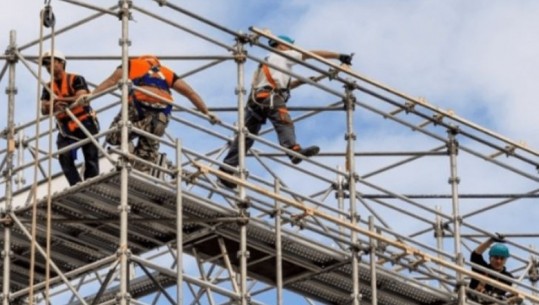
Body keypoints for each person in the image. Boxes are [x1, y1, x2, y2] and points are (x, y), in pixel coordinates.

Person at [218, 35, 353, 188]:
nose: (292, 49)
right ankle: (293, 151)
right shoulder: (283, 55)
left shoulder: (269, 60)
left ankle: (226, 169)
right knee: (284, 121)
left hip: (257, 99)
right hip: (270, 97)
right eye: (289, 46)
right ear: (281, 45)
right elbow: (310, 54)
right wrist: (338, 56)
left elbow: (276, 84)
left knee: (245, 137)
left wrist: (299, 82)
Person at [92, 55, 219, 172]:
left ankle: (140, 132)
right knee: (146, 156)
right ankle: (149, 129)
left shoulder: (131, 64)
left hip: (138, 105)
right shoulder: (166, 72)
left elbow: (111, 81)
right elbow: (190, 93)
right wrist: (206, 112)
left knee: (113, 137)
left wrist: (90, 96)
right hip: (163, 111)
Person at [40, 50, 100, 186]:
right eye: (45, 65)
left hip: (84, 121)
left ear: (61, 63)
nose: (48, 67)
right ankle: (76, 185)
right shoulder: (48, 87)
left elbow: (82, 97)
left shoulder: (76, 79)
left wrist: (61, 100)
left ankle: (92, 184)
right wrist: (54, 103)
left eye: (50, 63)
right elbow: (43, 109)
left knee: (91, 156)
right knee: (64, 156)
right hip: (65, 127)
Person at [468, 234, 516, 303]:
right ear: (490, 258)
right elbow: (475, 254)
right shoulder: (482, 268)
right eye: (496, 257)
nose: (498, 261)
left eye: (502, 258)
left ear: (505, 260)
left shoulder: (508, 277)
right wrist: (491, 240)